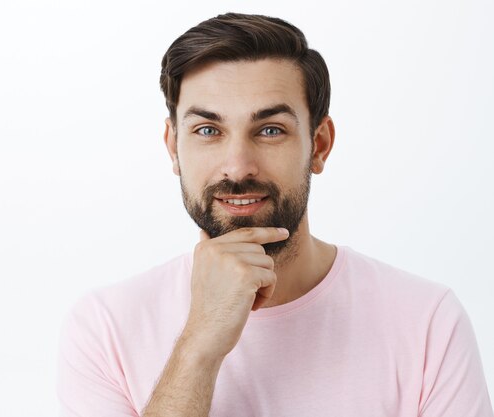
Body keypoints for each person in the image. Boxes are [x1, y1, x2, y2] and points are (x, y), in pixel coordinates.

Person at [57, 13, 493, 417]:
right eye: (208, 130)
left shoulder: (426, 322)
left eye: (270, 130)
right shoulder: (105, 327)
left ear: (319, 144)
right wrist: (199, 346)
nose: (238, 165)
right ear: (173, 147)